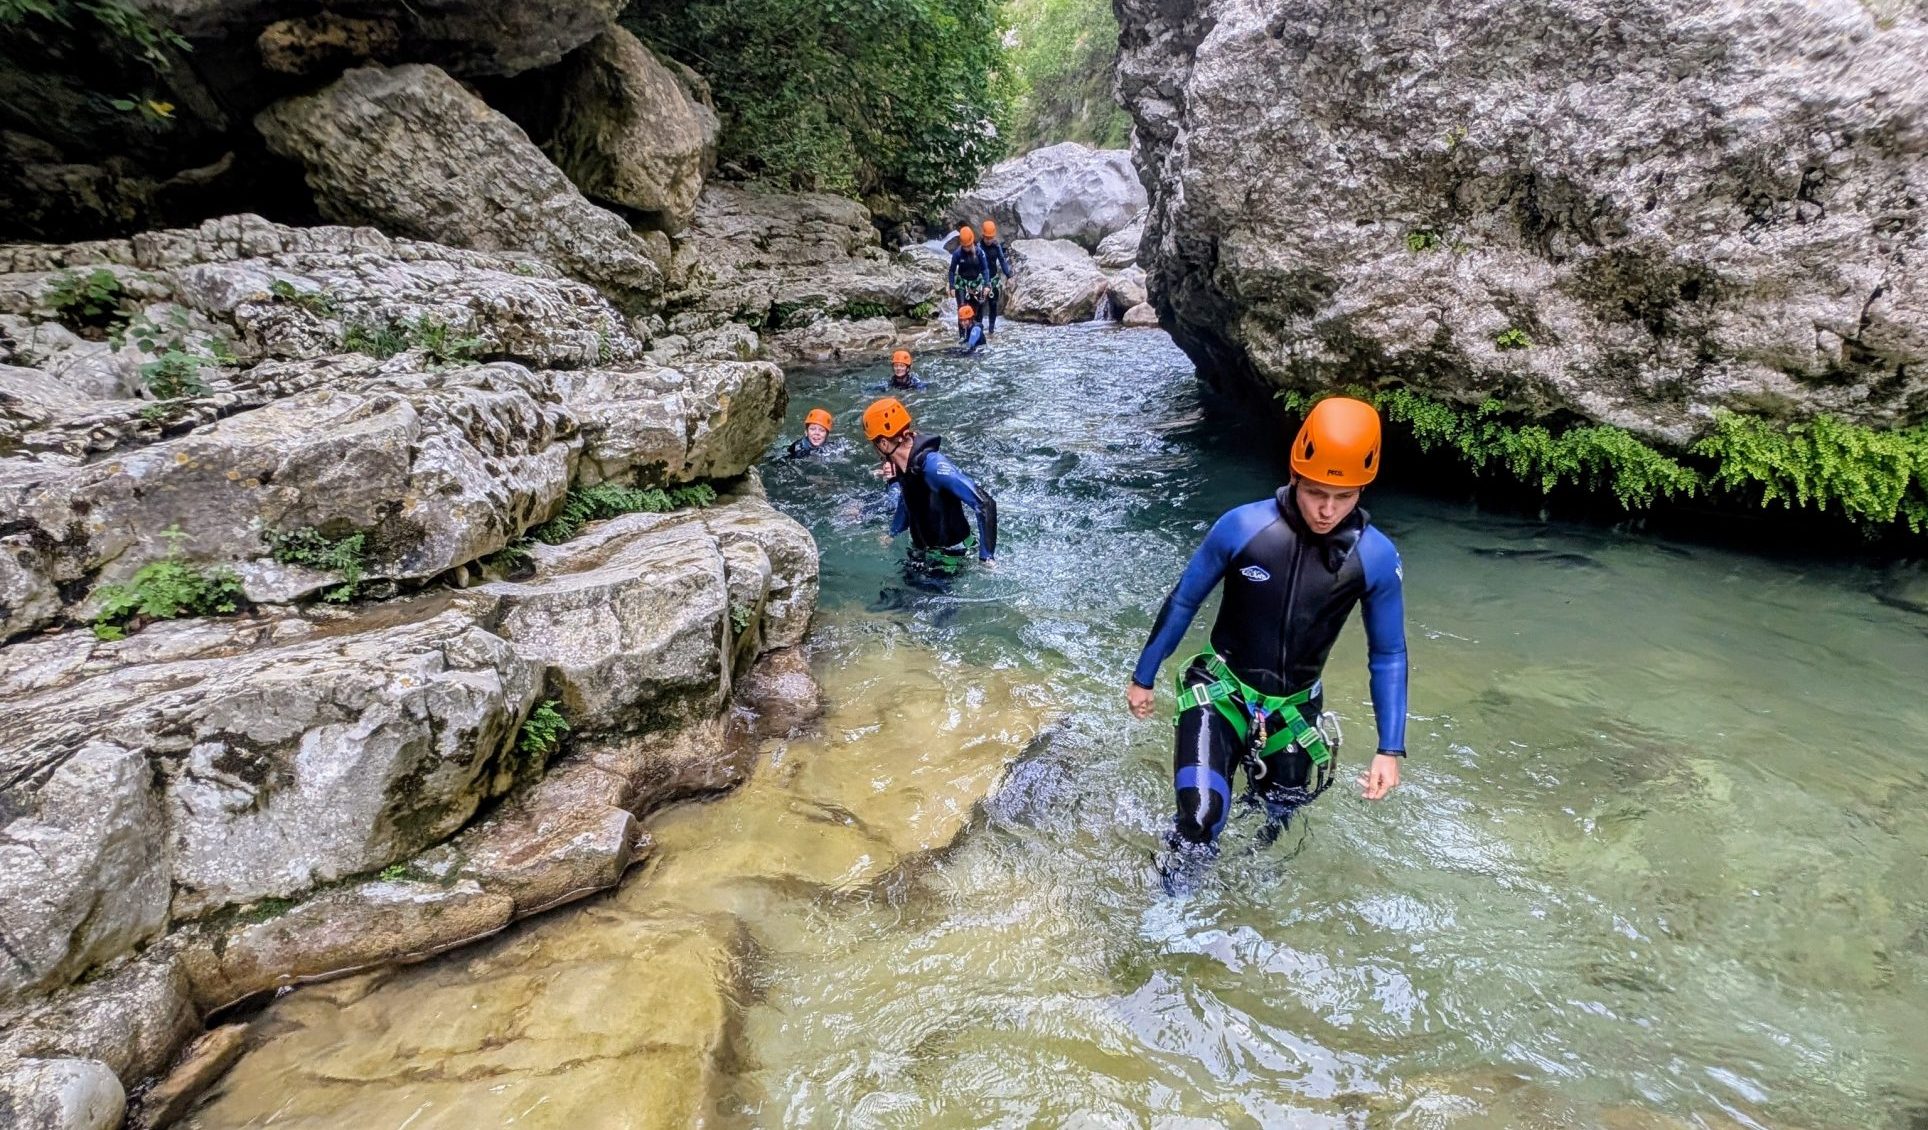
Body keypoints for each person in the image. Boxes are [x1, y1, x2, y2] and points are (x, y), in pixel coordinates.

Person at [1125, 396, 1408, 893]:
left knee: (1278, 816)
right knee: (1200, 818)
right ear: (1295, 474)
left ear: (1363, 488)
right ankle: (1165, 918)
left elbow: (1387, 653)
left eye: (1344, 498)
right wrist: (1144, 676)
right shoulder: (1243, 527)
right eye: (1317, 492)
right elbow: (1185, 600)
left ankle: (1242, 920)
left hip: (1295, 712)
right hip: (1219, 691)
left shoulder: (1376, 558)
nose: (1327, 510)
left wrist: (1390, 748)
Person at [864, 396, 997, 578]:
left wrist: (986, 558)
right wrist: (892, 533)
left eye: (874, 445)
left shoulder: (932, 465)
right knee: (896, 599)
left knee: (926, 602)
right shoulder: (903, 464)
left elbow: (985, 504)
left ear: (884, 443)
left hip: (953, 553)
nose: (875, 451)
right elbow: (907, 500)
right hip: (924, 551)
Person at [979, 219, 1014, 335]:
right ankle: (978, 328)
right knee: (980, 305)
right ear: (983, 236)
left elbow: (1002, 260)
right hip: (981, 280)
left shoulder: (996, 246)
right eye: (987, 238)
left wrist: (1008, 275)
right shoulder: (979, 248)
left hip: (993, 279)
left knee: (993, 304)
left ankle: (991, 330)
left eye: (991, 238)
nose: (989, 240)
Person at [948, 225, 991, 312]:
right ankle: (962, 325)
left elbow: (985, 269)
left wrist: (987, 285)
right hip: (962, 284)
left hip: (977, 283)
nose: (967, 248)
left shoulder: (979, 253)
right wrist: (952, 287)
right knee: (962, 310)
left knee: (977, 311)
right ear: (961, 244)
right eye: (965, 246)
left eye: (969, 245)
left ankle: (977, 325)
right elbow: (952, 271)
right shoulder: (957, 254)